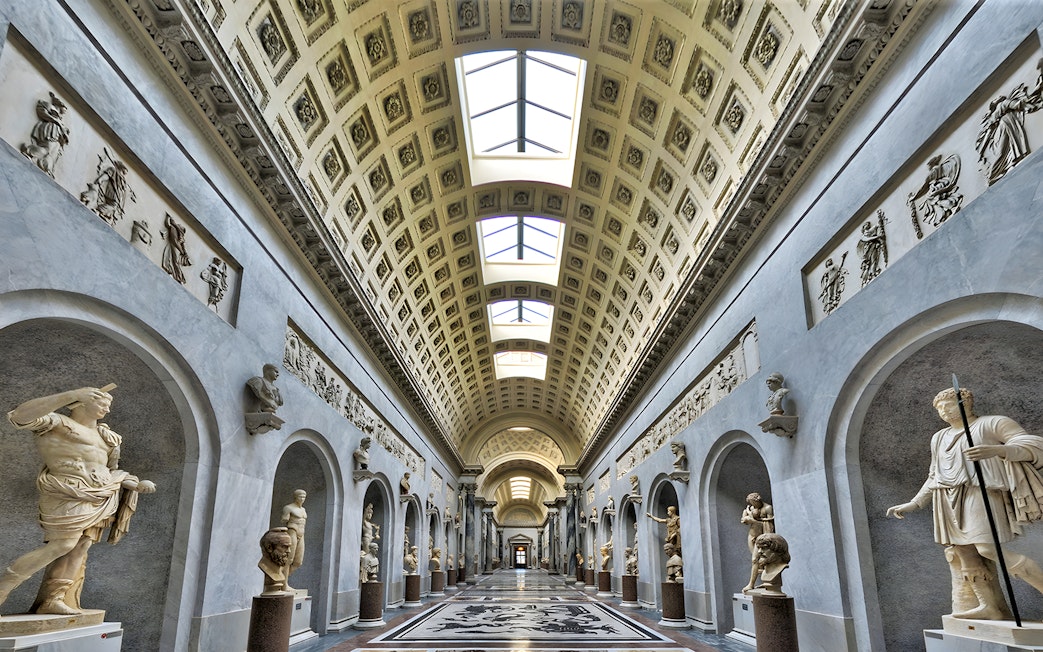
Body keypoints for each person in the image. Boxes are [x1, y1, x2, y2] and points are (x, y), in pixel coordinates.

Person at [886, 387, 1043, 619]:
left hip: (979, 491)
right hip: (945, 498)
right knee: (963, 553)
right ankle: (988, 606)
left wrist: (999, 450)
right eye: (939, 409)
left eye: (947, 405)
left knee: (987, 549)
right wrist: (915, 503)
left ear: (965, 402)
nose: (943, 411)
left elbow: (1033, 444)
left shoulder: (992, 424)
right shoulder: (939, 437)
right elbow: (934, 474)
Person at [0, 386, 156, 615]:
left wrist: (132, 483)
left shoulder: (107, 436)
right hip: (66, 491)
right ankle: (4, 587)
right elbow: (19, 416)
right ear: (83, 401)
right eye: (102, 401)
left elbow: (109, 470)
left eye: (108, 403)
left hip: (99, 497)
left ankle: (54, 599)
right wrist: (72, 394)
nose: (107, 407)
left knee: (81, 546)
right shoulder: (57, 423)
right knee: (63, 544)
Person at [741, 492, 775, 593]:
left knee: (756, 559)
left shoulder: (768, 508)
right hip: (752, 535)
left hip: (763, 538)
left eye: (753, 503)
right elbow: (743, 520)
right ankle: (761, 582)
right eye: (751, 503)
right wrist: (746, 518)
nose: (753, 505)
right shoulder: (751, 508)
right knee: (756, 560)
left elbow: (769, 526)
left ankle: (752, 584)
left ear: (758, 500)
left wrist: (753, 521)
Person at [280, 489, 307, 589]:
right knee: (289, 559)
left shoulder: (303, 510)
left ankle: (280, 578)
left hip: (301, 534)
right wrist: (285, 517)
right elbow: (283, 520)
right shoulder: (288, 508)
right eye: (300, 496)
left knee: (298, 562)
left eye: (304, 497)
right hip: (292, 532)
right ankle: (284, 584)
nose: (302, 499)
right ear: (295, 497)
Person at [258, 527, 293, 594]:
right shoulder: (264, 568)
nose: (289, 551)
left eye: (289, 547)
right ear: (269, 548)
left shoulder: (281, 572)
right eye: (284, 547)